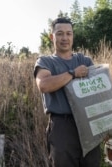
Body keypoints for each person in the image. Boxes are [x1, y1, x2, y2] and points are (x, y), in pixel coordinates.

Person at [33, 17, 101, 167]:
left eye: (68, 34)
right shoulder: (45, 62)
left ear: (73, 36)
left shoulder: (84, 60)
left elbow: (99, 93)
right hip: (62, 126)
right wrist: (72, 73)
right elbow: (43, 85)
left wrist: (104, 126)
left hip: (89, 123)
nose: (65, 38)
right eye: (60, 33)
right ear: (52, 36)